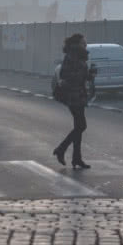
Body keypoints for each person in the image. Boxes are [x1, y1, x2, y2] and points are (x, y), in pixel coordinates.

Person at [53, 33, 96, 169]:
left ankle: (76, 158)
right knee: (81, 126)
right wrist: (83, 75)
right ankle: (61, 149)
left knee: (79, 126)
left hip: (79, 95)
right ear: (77, 44)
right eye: (84, 43)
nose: (86, 45)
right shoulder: (71, 56)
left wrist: (91, 74)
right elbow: (65, 74)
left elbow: (83, 76)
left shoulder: (80, 56)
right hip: (72, 96)